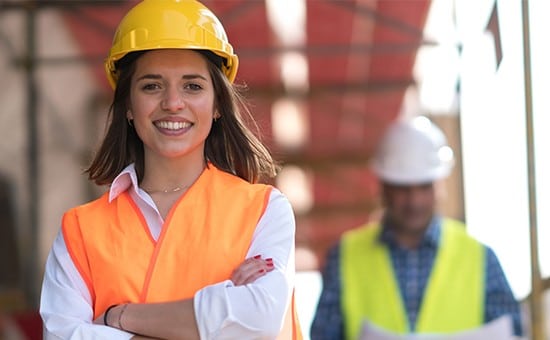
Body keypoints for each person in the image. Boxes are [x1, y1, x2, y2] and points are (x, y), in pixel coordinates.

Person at [39, 1, 302, 339]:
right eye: (152, 86)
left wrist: (118, 317)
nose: (173, 103)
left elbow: (261, 320)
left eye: (192, 86)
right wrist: (215, 319)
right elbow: (61, 336)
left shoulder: (265, 210)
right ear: (129, 108)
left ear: (218, 104)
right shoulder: (80, 231)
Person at [310, 116, 522, 339]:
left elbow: (512, 332)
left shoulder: (481, 259)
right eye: (402, 189)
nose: (414, 201)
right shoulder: (345, 257)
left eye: (424, 187)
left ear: (440, 185)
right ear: (383, 188)